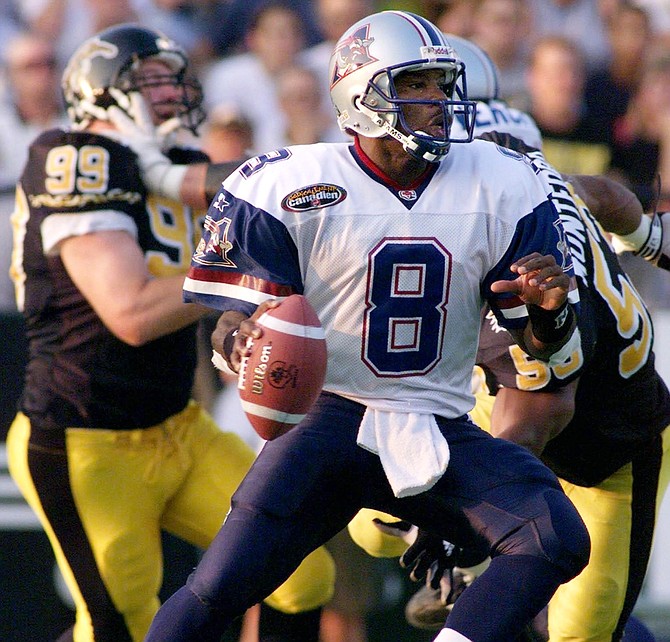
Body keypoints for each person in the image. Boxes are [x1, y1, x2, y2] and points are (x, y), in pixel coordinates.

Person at [144, 11, 591, 642]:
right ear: (363, 93)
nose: (439, 102)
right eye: (418, 85)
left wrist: (551, 311)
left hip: (438, 425)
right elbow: (229, 325)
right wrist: (239, 341)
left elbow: (539, 343)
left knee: (554, 537)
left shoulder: (504, 181)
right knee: (216, 589)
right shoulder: (287, 183)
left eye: (442, 85)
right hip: (326, 420)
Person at [5, 23, 335, 642]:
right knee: (120, 623)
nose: (170, 91)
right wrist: (246, 268)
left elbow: (240, 209)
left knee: (301, 574)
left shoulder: (175, 163)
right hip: (85, 437)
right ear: (99, 91)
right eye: (150, 79)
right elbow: (130, 313)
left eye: (173, 77)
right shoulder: (74, 156)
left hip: (176, 425)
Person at [348, 36, 670, 642]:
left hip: (604, 456)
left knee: (577, 635)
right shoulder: (525, 182)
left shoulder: (525, 269)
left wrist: (456, 522)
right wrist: (649, 236)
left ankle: (503, 598)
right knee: (373, 508)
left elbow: (537, 416)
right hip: (513, 397)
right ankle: (488, 591)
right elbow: (598, 192)